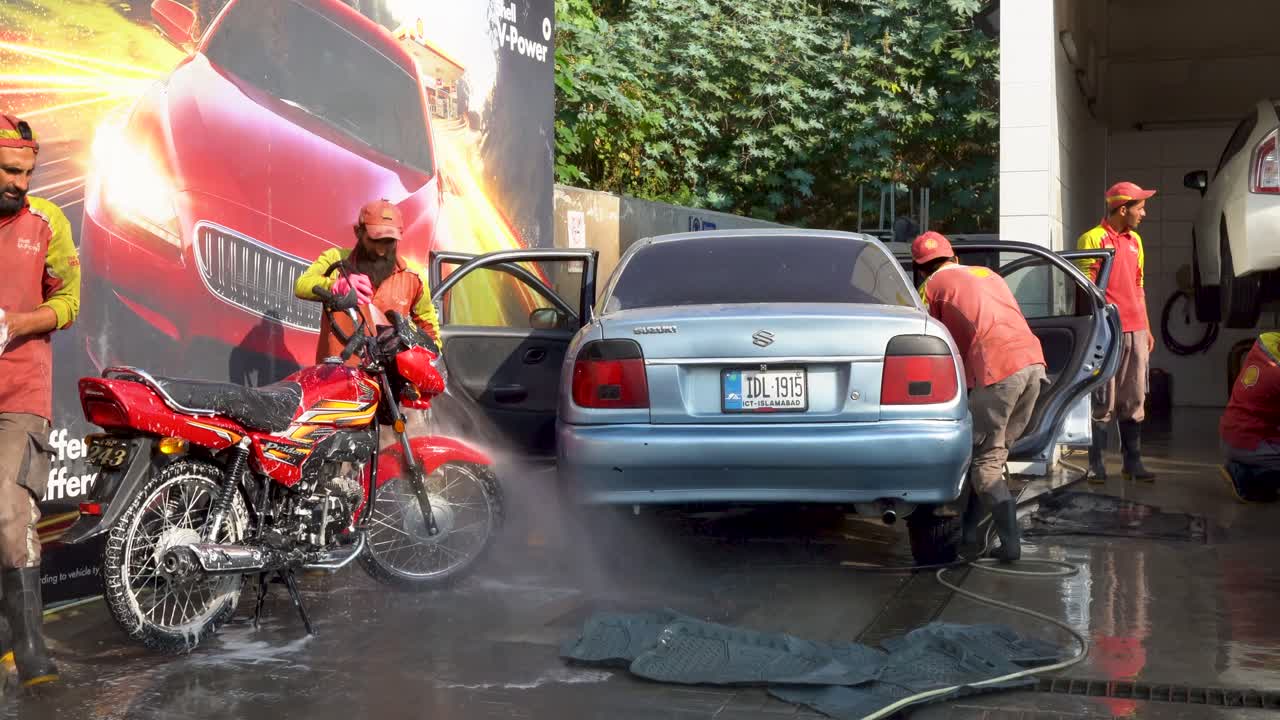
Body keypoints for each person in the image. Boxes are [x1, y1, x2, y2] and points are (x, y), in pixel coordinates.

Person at [0, 114, 80, 687]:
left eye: (27, 172)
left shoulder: (47, 222)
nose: (21, 183)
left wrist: (17, 324)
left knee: (9, 511)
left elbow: (72, 301)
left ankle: (31, 654)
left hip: (20, 390)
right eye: (9, 171)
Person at [913, 231, 1048, 563]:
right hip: (1033, 364)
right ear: (954, 258)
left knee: (984, 463)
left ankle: (1010, 546)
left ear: (920, 270)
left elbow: (927, 346)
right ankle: (971, 534)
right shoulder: (988, 274)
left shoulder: (927, 289)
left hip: (997, 371)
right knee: (990, 456)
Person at [1075, 181, 1157, 484]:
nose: (1144, 213)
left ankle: (1132, 463)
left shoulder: (1136, 240)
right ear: (1123, 209)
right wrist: (1094, 331)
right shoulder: (1092, 238)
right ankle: (1096, 464)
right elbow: (1086, 288)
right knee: (1103, 397)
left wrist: (1146, 328)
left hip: (1135, 329)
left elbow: (1139, 286)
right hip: (1107, 330)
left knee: (1135, 395)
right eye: (1140, 207)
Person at [294, 199, 442, 364]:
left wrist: (430, 359)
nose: (380, 251)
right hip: (337, 376)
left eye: (389, 242)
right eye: (374, 241)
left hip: (388, 381)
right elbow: (301, 285)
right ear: (358, 232)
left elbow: (428, 328)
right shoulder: (336, 260)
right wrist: (336, 286)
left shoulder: (413, 277)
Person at [1218, 332, 1280, 502]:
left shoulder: (1261, 353)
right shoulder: (1275, 374)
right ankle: (1246, 476)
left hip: (1235, 437)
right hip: (1249, 442)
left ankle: (1248, 470)